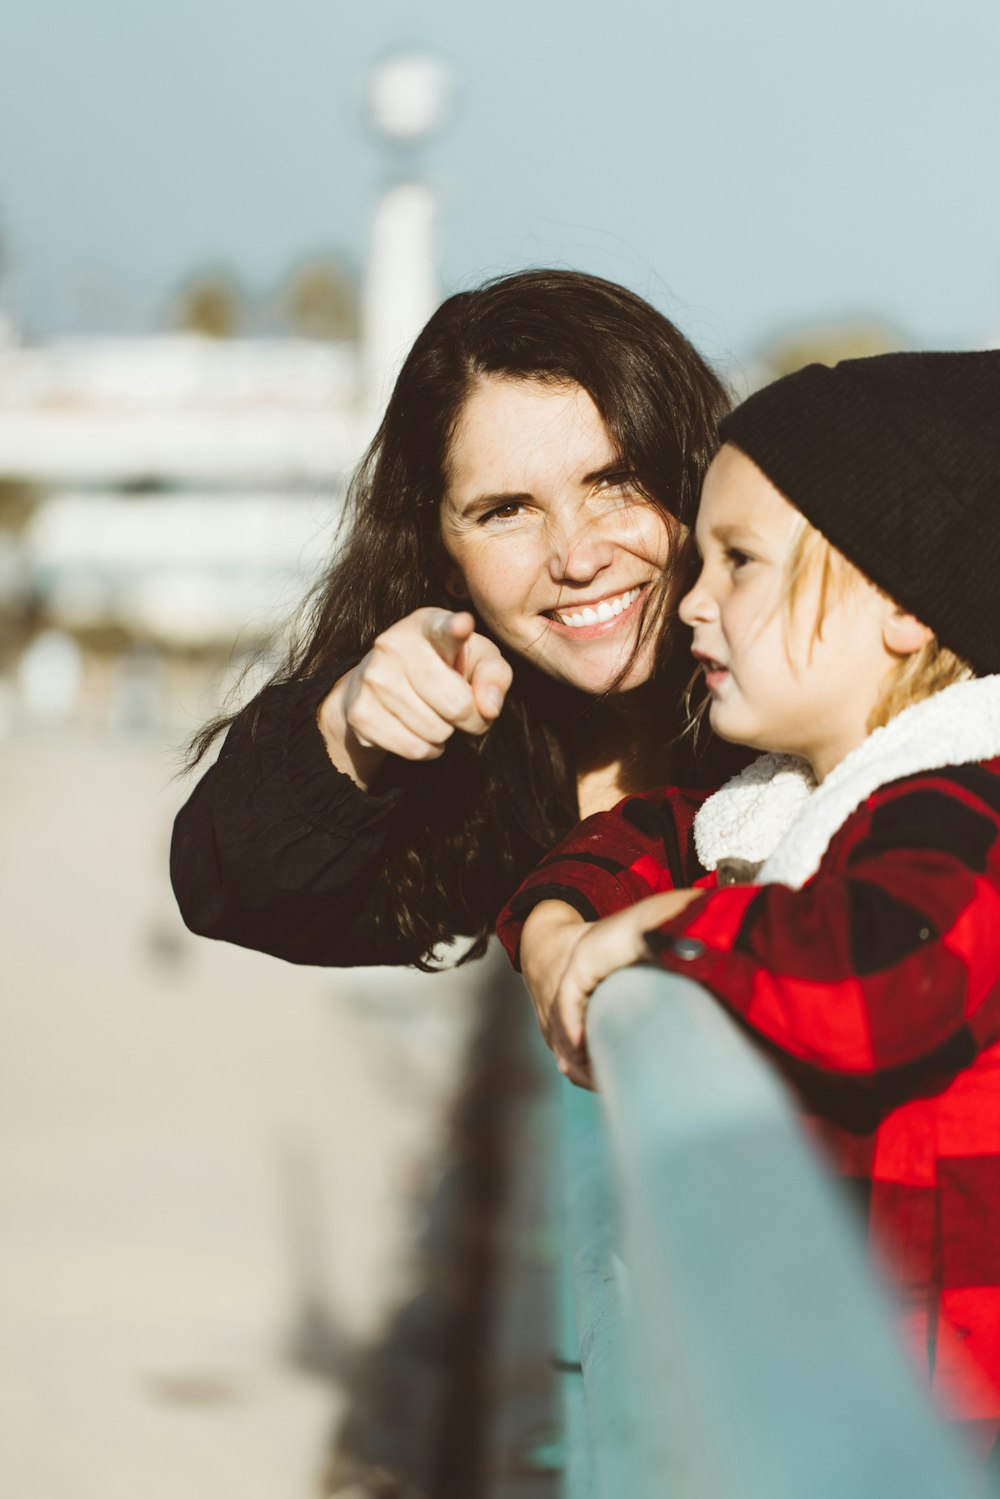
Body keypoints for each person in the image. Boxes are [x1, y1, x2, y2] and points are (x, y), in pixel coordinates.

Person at [499, 349, 1000, 1451]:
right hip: (848, 1393)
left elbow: (883, 973)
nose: (691, 603)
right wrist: (554, 924)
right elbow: (648, 832)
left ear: (902, 603)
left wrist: (677, 926)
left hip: (947, 1426)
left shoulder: (972, 808)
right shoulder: (788, 802)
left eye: (738, 561)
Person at [171, 269, 735, 971]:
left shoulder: (828, 702)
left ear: (698, 475)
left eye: (615, 482)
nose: (577, 557)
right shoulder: (475, 766)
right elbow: (232, 892)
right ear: (442, 559)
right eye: (507, 510)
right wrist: (349, 729)